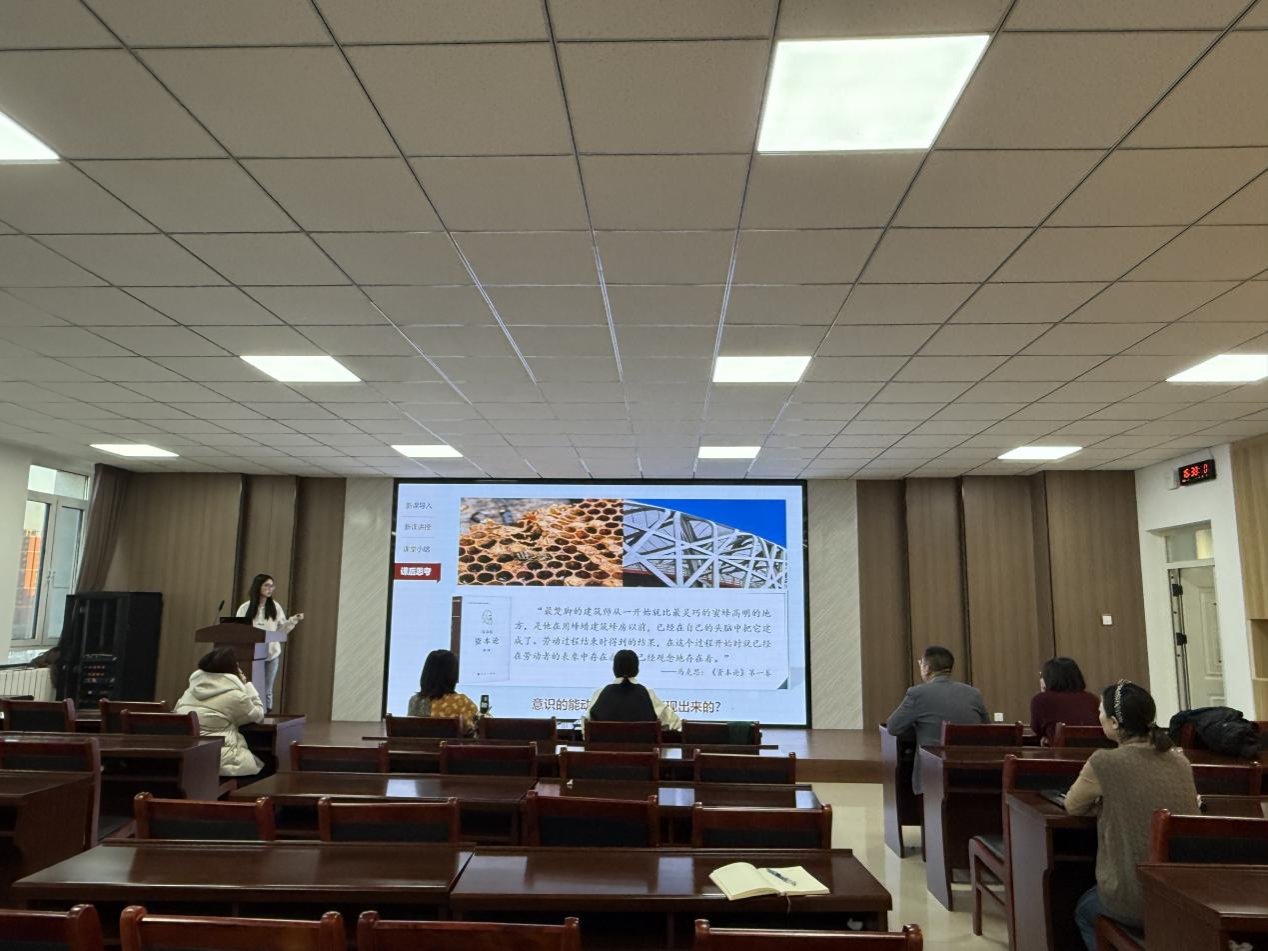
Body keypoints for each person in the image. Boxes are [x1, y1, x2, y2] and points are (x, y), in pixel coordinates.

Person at [1066, 680, 1198, 950]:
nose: (1098, 716)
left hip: (1134, 901)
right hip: (1183, 897)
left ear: (1114, 723)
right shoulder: (1179, 760)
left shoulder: (1104, 761)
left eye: (1100, 711)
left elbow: (1073, 805)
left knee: (1083, 910)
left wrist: (1103, 804)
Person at [885, 645, 988, 793]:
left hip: (932, 775)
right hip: (971, 775)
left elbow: (893, 727)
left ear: (926, 668)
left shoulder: (917, 693)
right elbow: (987, 729)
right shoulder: (973, 694)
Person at [174, 647, 265, 778]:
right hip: (223, 761)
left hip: (190, 759)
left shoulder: (189, 692)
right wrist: (247, 686)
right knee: (265, 770)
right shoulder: (235, 696)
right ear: (232, 670)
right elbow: (258, 715)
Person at [235, 573, 302, 713]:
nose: (270, 589)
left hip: (271, 655)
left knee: (267, 688)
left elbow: (281, 631)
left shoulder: (275, 607)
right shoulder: (245, 607)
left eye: (272, 586)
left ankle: (266, 716)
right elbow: (238, 630)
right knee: (251, 687)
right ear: (258, 586)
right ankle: (251, 714)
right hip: (251, 656)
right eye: (266, 585)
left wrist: (292, 621)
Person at [584, 649, 682, 733]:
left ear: (614, 669)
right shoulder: (648, 695)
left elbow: (586, 727)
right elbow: (675, 723)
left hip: (603, 750)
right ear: (637, 670)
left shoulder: (599, 694)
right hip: (643, 749)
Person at [1030, 656, 1101, 745]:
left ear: (1048, 678)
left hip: (1061, 752)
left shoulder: (1041, 700)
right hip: (1095, 752)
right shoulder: (1092, 699)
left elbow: (1036, 729)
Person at [407, 649, 479, 736]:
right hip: (449, 745)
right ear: (452, 674)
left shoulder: (415, 701)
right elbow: (478, 730)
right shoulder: (460, 701)